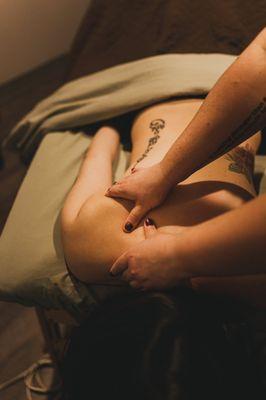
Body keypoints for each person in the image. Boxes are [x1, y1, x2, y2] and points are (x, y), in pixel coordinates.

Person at [105, 28, 266, 303]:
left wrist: (177, 256)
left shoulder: (91, 240)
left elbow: (99, 149)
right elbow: (262, 58)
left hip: (164, 84)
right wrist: (164, 173)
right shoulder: (89, 240)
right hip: (209, 86)